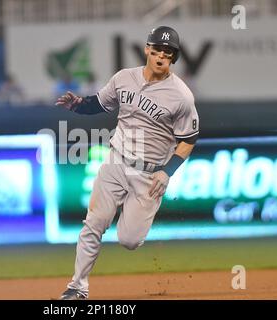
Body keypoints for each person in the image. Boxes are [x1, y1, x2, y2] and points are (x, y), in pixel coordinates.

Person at [55, 26, 199, 300]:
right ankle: (77, 288)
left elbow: (189, 139)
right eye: (156, 50)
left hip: (149, 175)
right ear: (147, 49)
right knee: (94, 223)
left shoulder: (181, 96)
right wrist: (77, 104)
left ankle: (130, 217)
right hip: (115, 162)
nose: (160, 57)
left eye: (167, 53)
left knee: (129, 241)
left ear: (173, 58)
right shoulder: (124, 78)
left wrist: (167, 173)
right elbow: (99, 102)